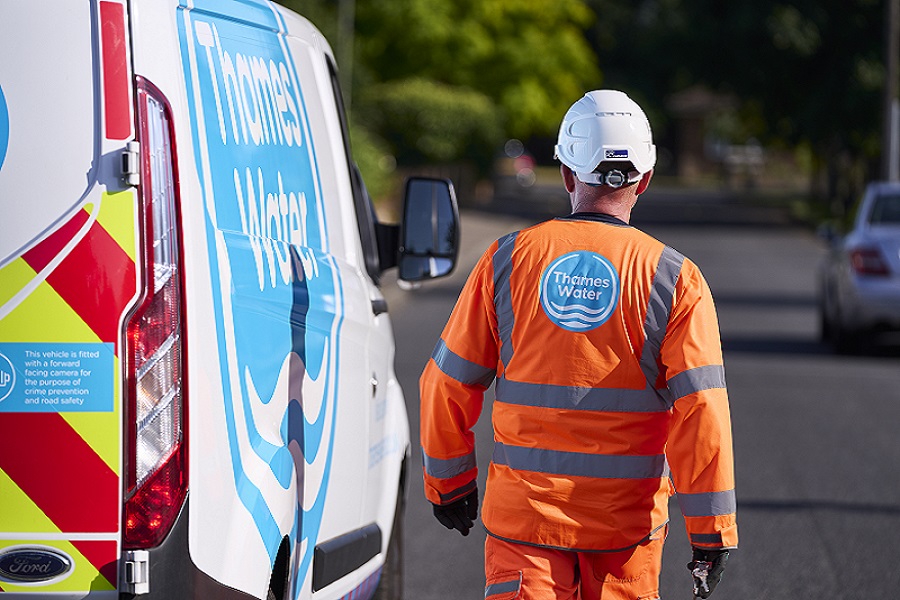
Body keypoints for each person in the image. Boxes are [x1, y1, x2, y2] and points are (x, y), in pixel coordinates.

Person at [419, 89, 737, 599]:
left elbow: (447, 380)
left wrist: (449, 482)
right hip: (624, 536)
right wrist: (710, 531)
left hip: (524, 527)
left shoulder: (507, 260)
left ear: (567, 175)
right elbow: (701, 410)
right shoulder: (676, 279)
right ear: (646, 180)